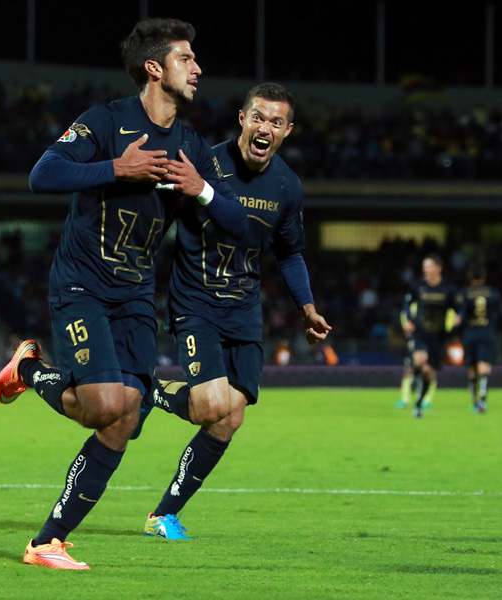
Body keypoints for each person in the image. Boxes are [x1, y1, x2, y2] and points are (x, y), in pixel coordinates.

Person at [0, 17, 246, 569]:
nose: (197, 68)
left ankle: (47, 542)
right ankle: (30, 371)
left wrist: (202, 190)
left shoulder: (192, 147)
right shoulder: (105, 122)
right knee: (106, 405)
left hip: (135, 294)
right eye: (185, 59)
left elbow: (238, 223)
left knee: (126, 416)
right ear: (155, 68)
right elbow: (43, 174)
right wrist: (116, 167)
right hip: (81, 283)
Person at [137, 83, 331, 539]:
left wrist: (307, 307)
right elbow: (158, 218)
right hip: (195, 302)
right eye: (258, 117)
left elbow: (289, 253)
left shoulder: (287, 186)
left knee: (231, 417)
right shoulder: (203, 163)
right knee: (209, 405)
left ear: (287, 131)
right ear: (242, 119)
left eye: (276, 121)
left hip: (244, 310)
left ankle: (162, 514)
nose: (266, 128)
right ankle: (148, 390)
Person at [401, 254, 458, 418]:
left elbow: (458, 307)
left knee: (428, 371)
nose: (425, 269)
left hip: (438, 335)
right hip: (420, 332)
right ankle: (414, 377)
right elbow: (407, 304)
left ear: (438, 269)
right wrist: (408, 320)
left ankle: (418, 404)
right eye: (424, 266)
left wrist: (458, 318)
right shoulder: (418, 286)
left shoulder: (448, 289)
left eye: (428, 266)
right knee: (419, 360)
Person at [454, 262, 501, 413]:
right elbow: (498, 313)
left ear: (469, 277)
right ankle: (483, 400)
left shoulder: (464, 294)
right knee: (484, 364)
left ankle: (475, 401)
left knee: (472, 367)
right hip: (486, 332)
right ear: (484, 277)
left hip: (470, 333)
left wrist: (456, 330)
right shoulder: (493, 293)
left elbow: (460, 316)